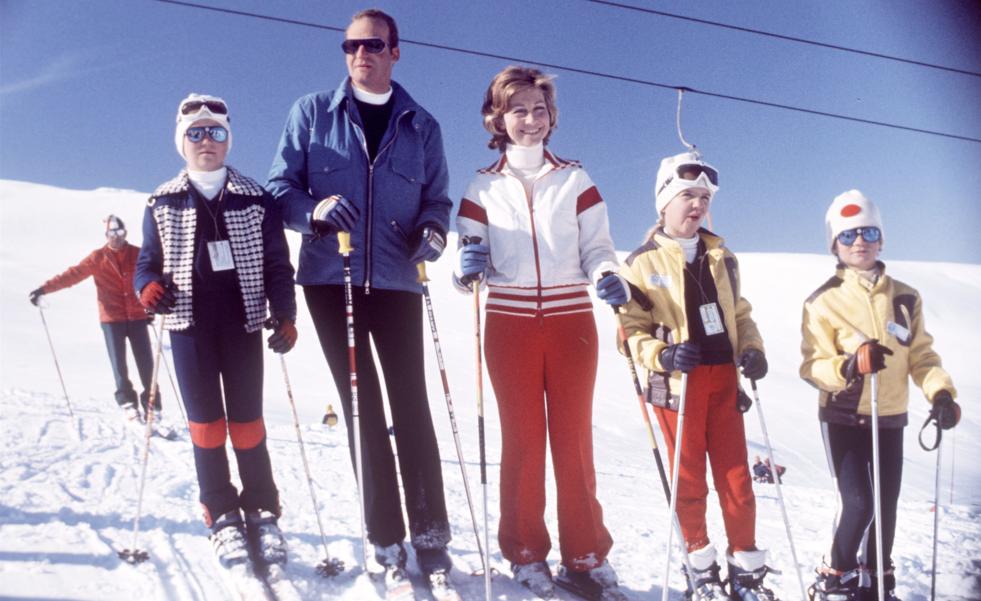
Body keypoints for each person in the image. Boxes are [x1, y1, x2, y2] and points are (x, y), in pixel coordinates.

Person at [266, 8, 455, 587]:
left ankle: (431, 536)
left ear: (396, 51)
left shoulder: (421, 125)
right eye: (349, 46)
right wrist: (314, 212)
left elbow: (438, 201)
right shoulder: (312, 112)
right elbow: (281, 188)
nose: (359, 55)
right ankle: (385, 536)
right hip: (332, 278)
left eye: (372, 44)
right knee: (361, 406)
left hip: (398, 280)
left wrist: (433, 232)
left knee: (411, 403)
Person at [454, 65, 629, 600]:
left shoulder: (577, 179)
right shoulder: (481, 186)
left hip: (571, 318)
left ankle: (586, 554)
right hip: (508, 323)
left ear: (552, 117)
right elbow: (468, 266)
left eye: (539, 109)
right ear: (497, 118)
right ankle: (526, 553)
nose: (530, 120)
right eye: (517, 110)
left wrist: (606, 273)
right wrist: (466, 267)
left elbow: (598, 247)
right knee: (523, 442)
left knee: (573, 442)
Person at [134, 93, 298, 571]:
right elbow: (147, 264)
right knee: (206, 427)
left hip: (243, 323)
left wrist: (284, 313)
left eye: (217, 132)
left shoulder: (255, 198)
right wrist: (148, 288)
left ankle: (262, 508)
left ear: (228, 141)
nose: (207, 141)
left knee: (247, 424)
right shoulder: (161, 201)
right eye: (196, 133)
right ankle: (221, 512)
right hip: (189, 328)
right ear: (181, 142)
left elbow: (277, 264)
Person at [618, 151, 777, 600]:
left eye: (704, 196)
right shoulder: (642, 263)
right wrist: (663, 355)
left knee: (737, 480)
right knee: (688, 480)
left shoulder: (723, 257)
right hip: (677, 386)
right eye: (687, 194)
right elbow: (629, 329)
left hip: (723, 379)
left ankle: (745, 570)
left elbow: (740, 314)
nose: (697, 204)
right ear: (663, 203)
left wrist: (752, 349)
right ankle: (701, 570)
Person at [800, 190, 960, 601]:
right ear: (834, 244)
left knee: (885, 507)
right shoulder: (822, 301)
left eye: (869, 231)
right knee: (858, 503)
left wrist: (940, 393)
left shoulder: (905, 297)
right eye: (848, 234)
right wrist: (850, 366)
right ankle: (834, 575)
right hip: (845, 415)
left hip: (890, 415)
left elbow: (921, 356)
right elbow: (812, 366)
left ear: (882, 238)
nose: (860, 241)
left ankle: (875, 581)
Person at [29, 216, 161, 422]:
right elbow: (72, 275)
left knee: (146, 363)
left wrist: (152, 305)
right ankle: (128, 403)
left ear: (125, 233)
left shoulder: (137, 254)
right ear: (106, 235)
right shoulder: (98, 258)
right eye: (112, 234)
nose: (116, 237)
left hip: (137, 316)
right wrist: (43, 289)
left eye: (120, 233)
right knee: (118, 364)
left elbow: (151, 275)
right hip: (111, 319)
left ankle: (153, 405)